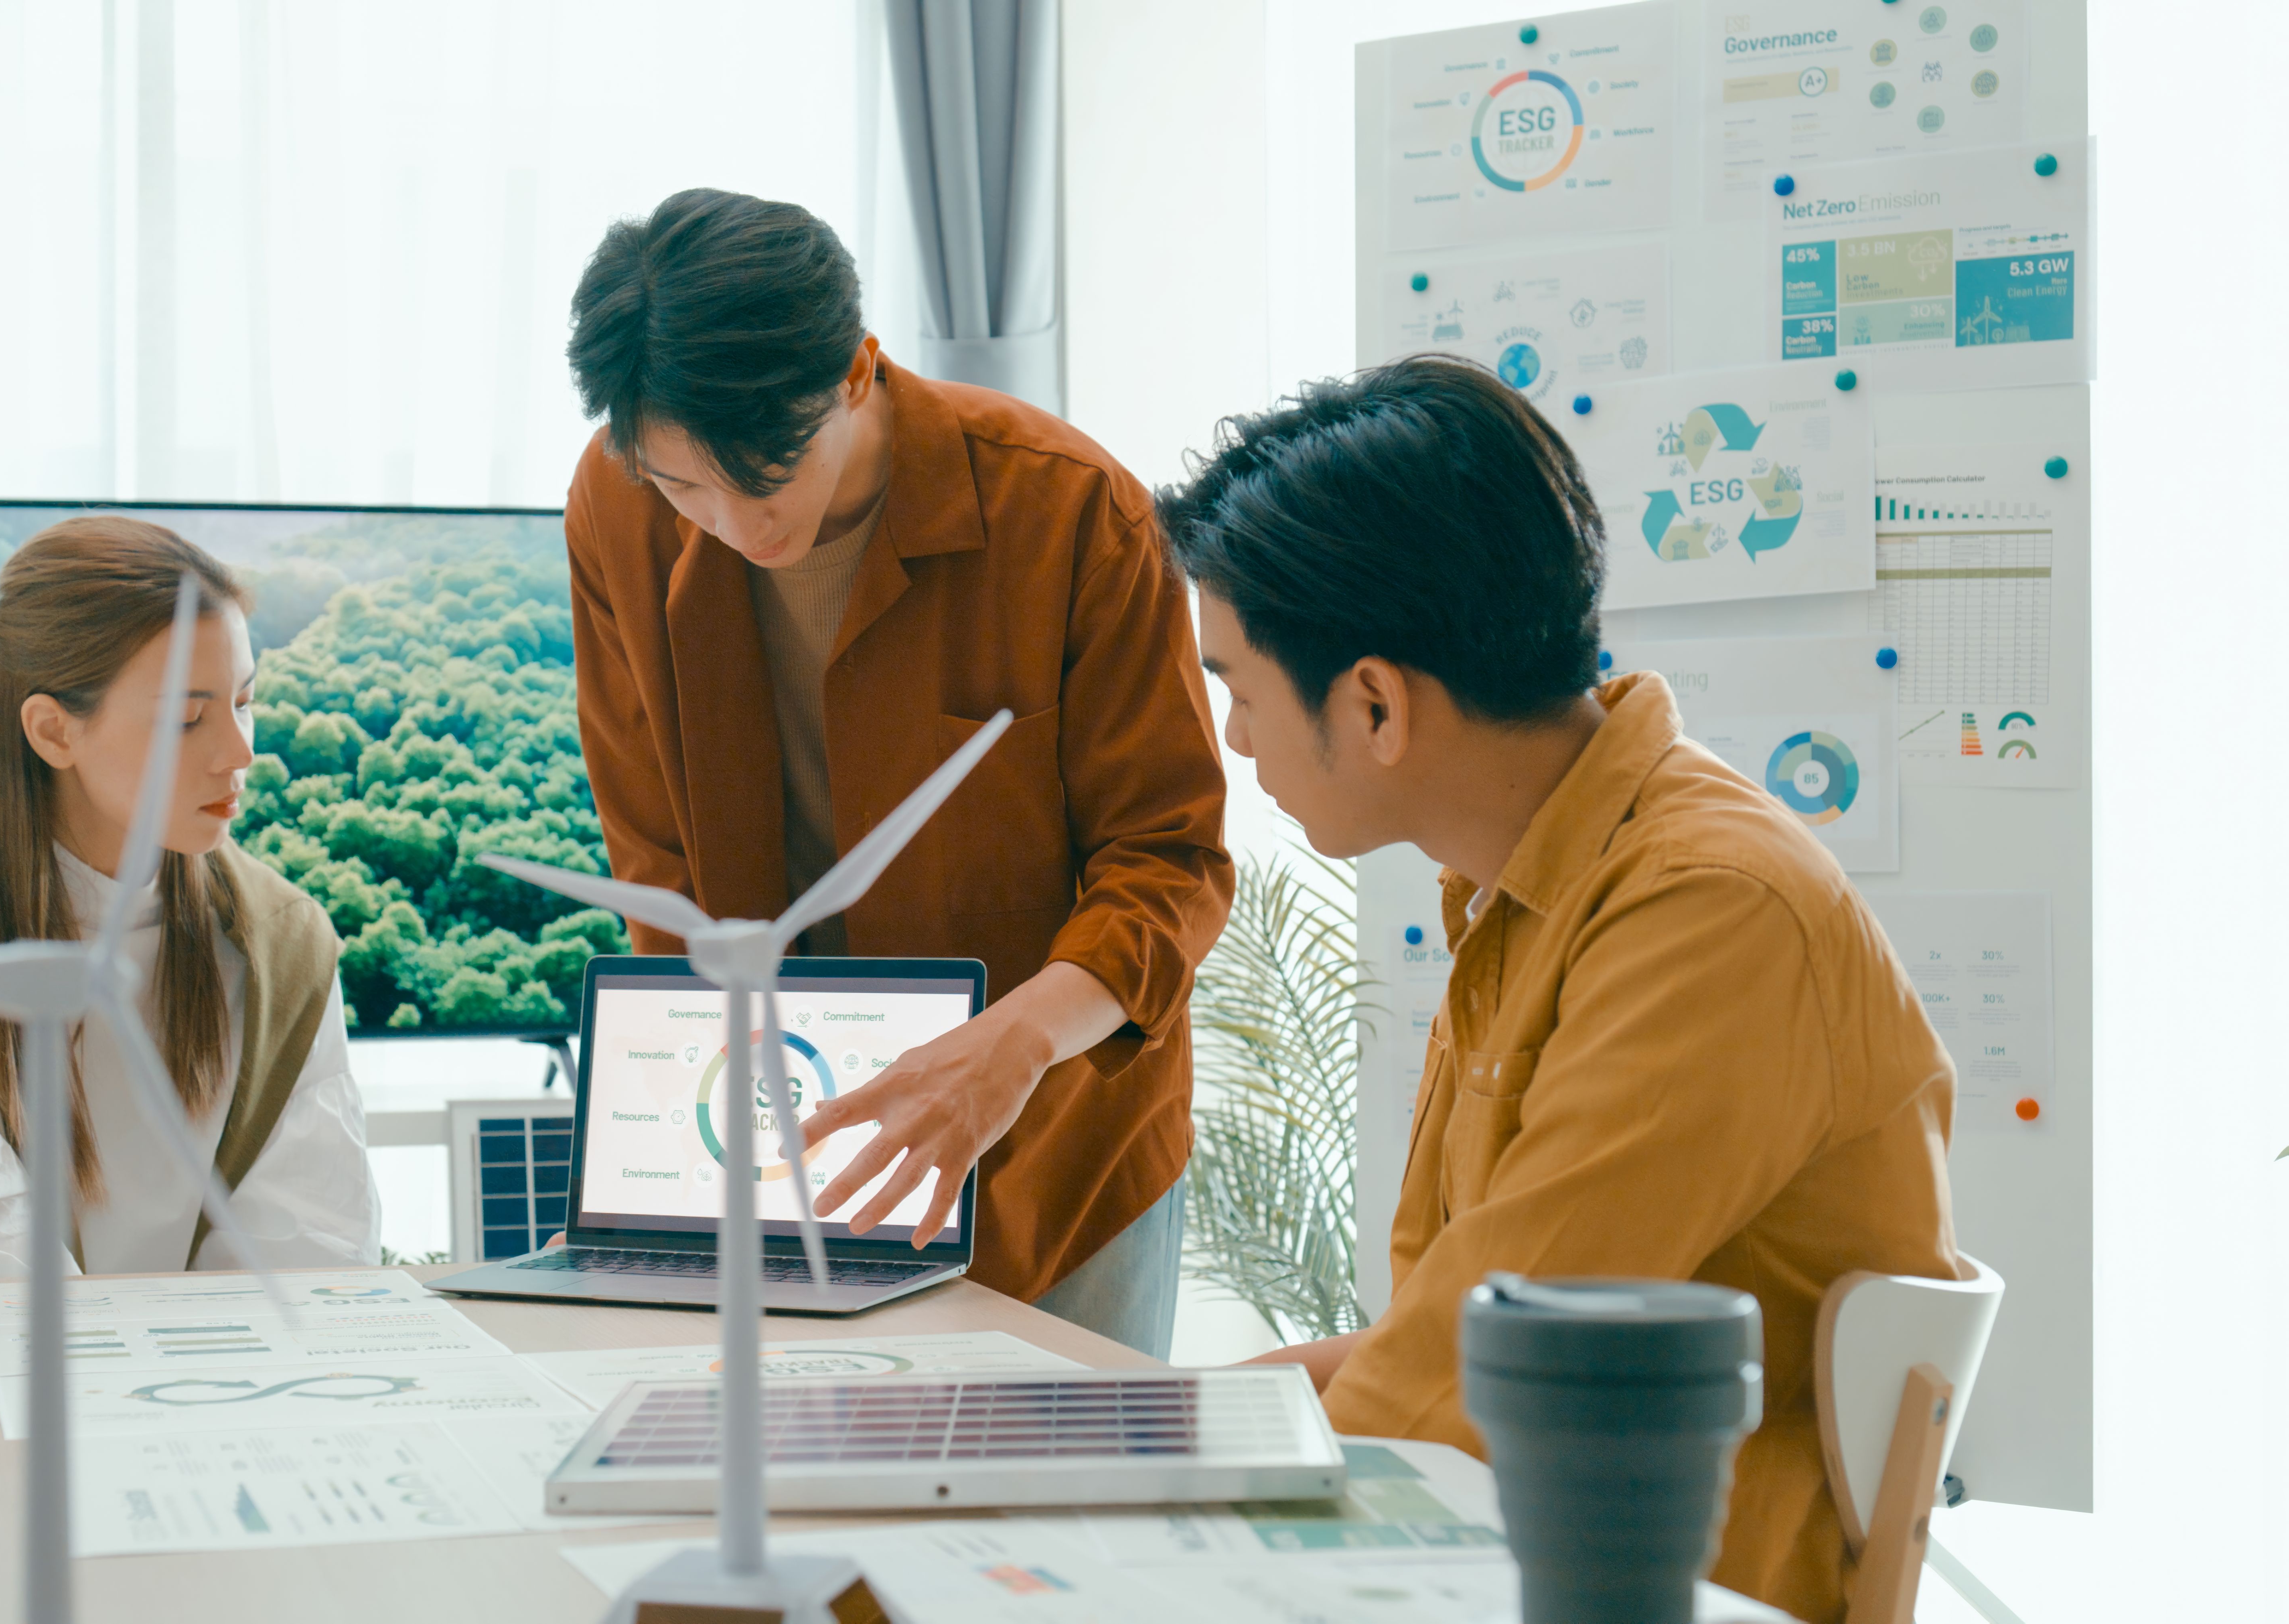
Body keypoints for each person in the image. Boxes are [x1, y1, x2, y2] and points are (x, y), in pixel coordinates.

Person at [1157, 356, 1959, 1621]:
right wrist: (1172, 1422)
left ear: (1374, 705)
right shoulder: (1542, 882)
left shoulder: (1707, 908)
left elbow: (1491, 1365)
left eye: (1239, 691)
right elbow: (1456, 1328)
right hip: (1533, 1544)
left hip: (1668, 1583)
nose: (1239, 739)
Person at [558, 188, 1231, 1357]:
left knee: (1061, 1514)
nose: (732, 526)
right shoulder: (615, 508)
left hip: (1061, 1140)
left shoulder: (1072, 511)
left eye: (765, 477)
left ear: (859, 371)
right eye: (683, 487)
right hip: (786, 1132)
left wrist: (1017, 1043)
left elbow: (1169, 862)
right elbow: (655, 855)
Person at [0, 516, 376, 1278]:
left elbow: (313, 1255)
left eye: (244, 700)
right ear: (52, 731)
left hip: (212, 1388)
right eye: (186, 718)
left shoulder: (283, 940)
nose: (240, 752)